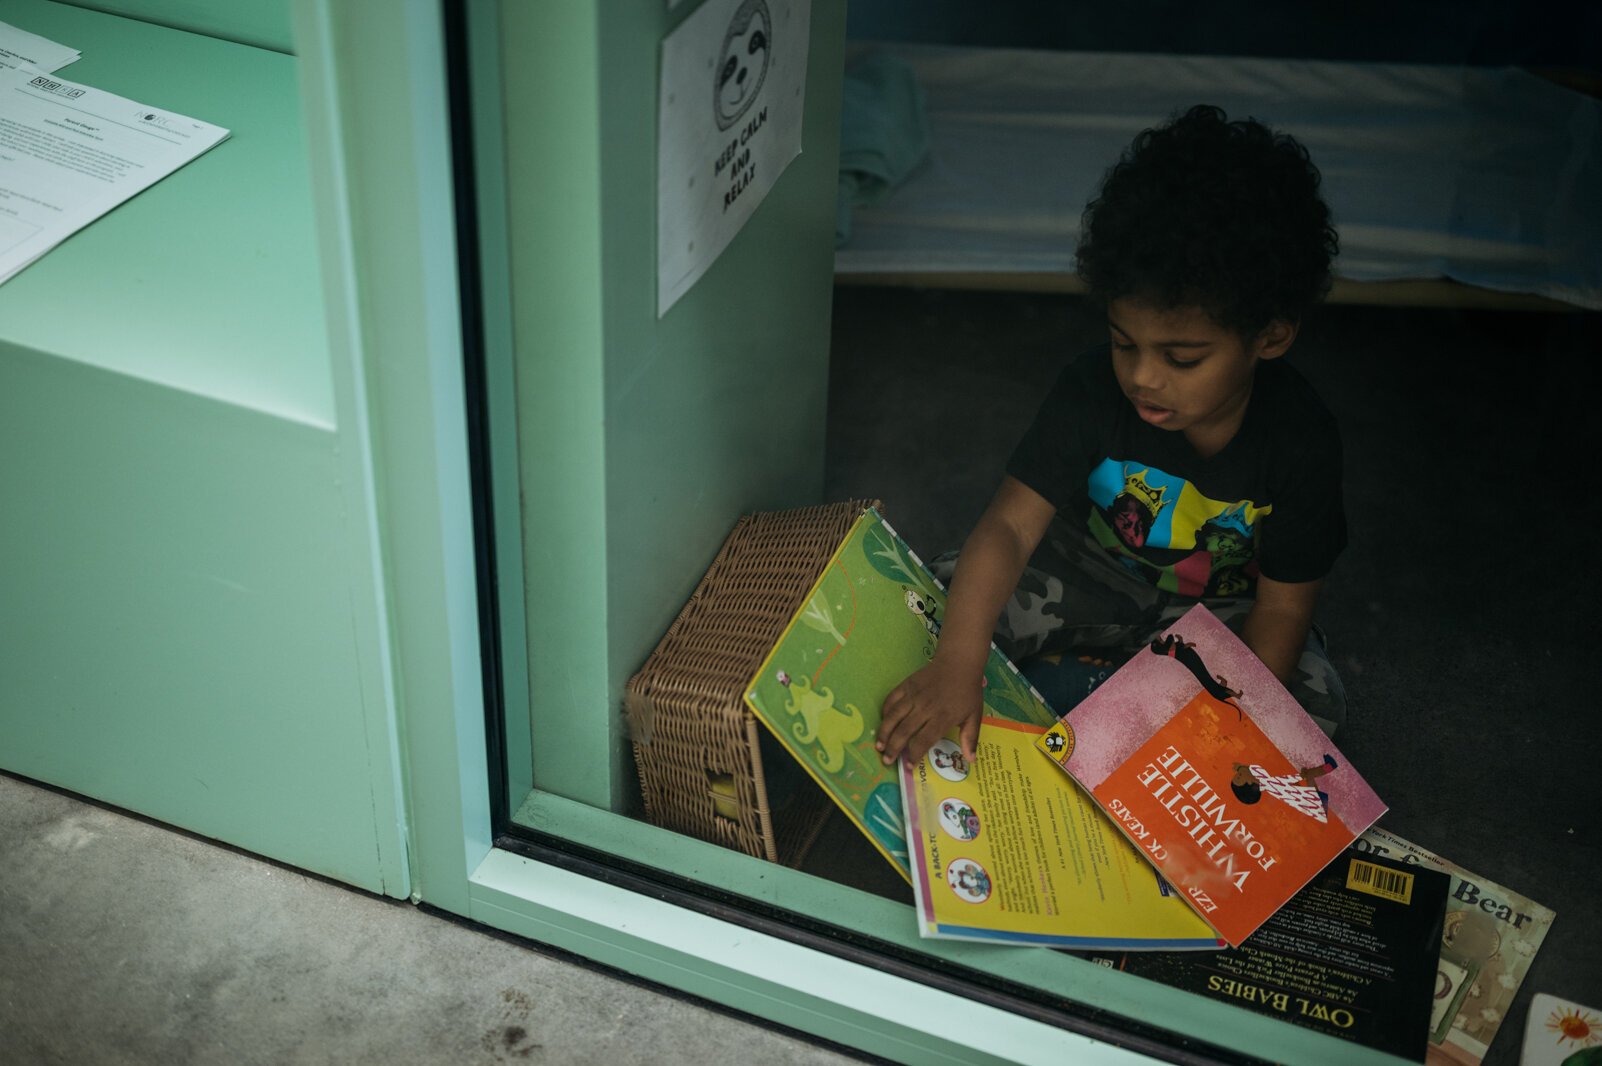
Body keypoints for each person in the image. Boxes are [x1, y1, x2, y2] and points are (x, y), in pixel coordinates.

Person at [877, 104, 1347, 767]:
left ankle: (1085, 686)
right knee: (938, 602)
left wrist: (1230, 720)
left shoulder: (1301, 441)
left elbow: (1282, 609)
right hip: (1083, 569)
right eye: (1124, 343)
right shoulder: (1091, 388)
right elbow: (1010, 530)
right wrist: (958, 662)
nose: (1144, 377)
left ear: (1271, 335)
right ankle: (1088, 689)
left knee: (1311, 698)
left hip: (1214, 609)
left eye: (1182, 359)